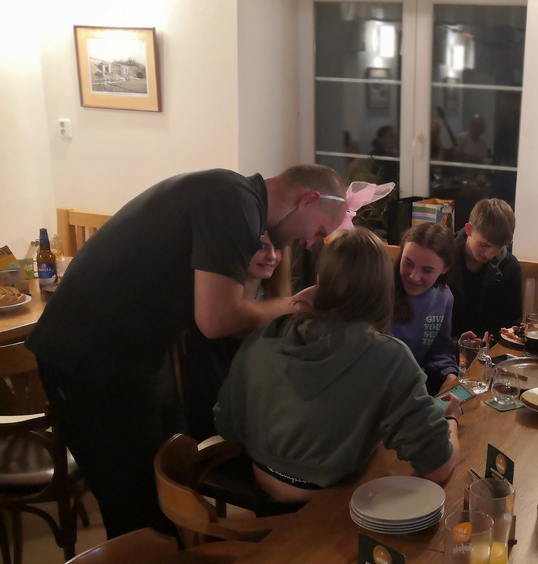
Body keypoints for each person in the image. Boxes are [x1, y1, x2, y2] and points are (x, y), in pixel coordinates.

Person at [27, 165, 348, 538]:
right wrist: (298, 305)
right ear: (308, 199)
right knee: (135, 502)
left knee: (172, 477)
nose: (310, 243)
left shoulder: (237, 199)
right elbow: (218, 319)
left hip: (137, 356)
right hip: (86, 357)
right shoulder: (232, 200)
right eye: (319, 231)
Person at [215, 228, 458, 506]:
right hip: (335, 505)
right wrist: (451, 420)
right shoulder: (390, 356)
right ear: (384, 291)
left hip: (256, 486)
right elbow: (438, 466)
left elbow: (226, 423)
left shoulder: (267, 332)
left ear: (319, 280)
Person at [178, 232, 283, 442]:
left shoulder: (277, 302)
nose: (272, 256)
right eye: (261, 247)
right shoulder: (210, 314)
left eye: (277, 247)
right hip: (218, 420)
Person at [390, 223, 460, 394]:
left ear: (445, 269)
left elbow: (439, 350)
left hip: (411, 389)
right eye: (407, 263)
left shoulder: (444, 297)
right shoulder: (380, 286)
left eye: (427, 270)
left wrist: (450, 375)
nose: (414, 276)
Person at [448, 198, 523, 340]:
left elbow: (512, 323)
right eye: (484, 244)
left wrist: (488, 341)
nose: (489, 255)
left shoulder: (510, 267)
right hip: (446, 346)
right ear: (469, 229)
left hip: (492, 346)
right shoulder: (442, 259)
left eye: (498, 247)